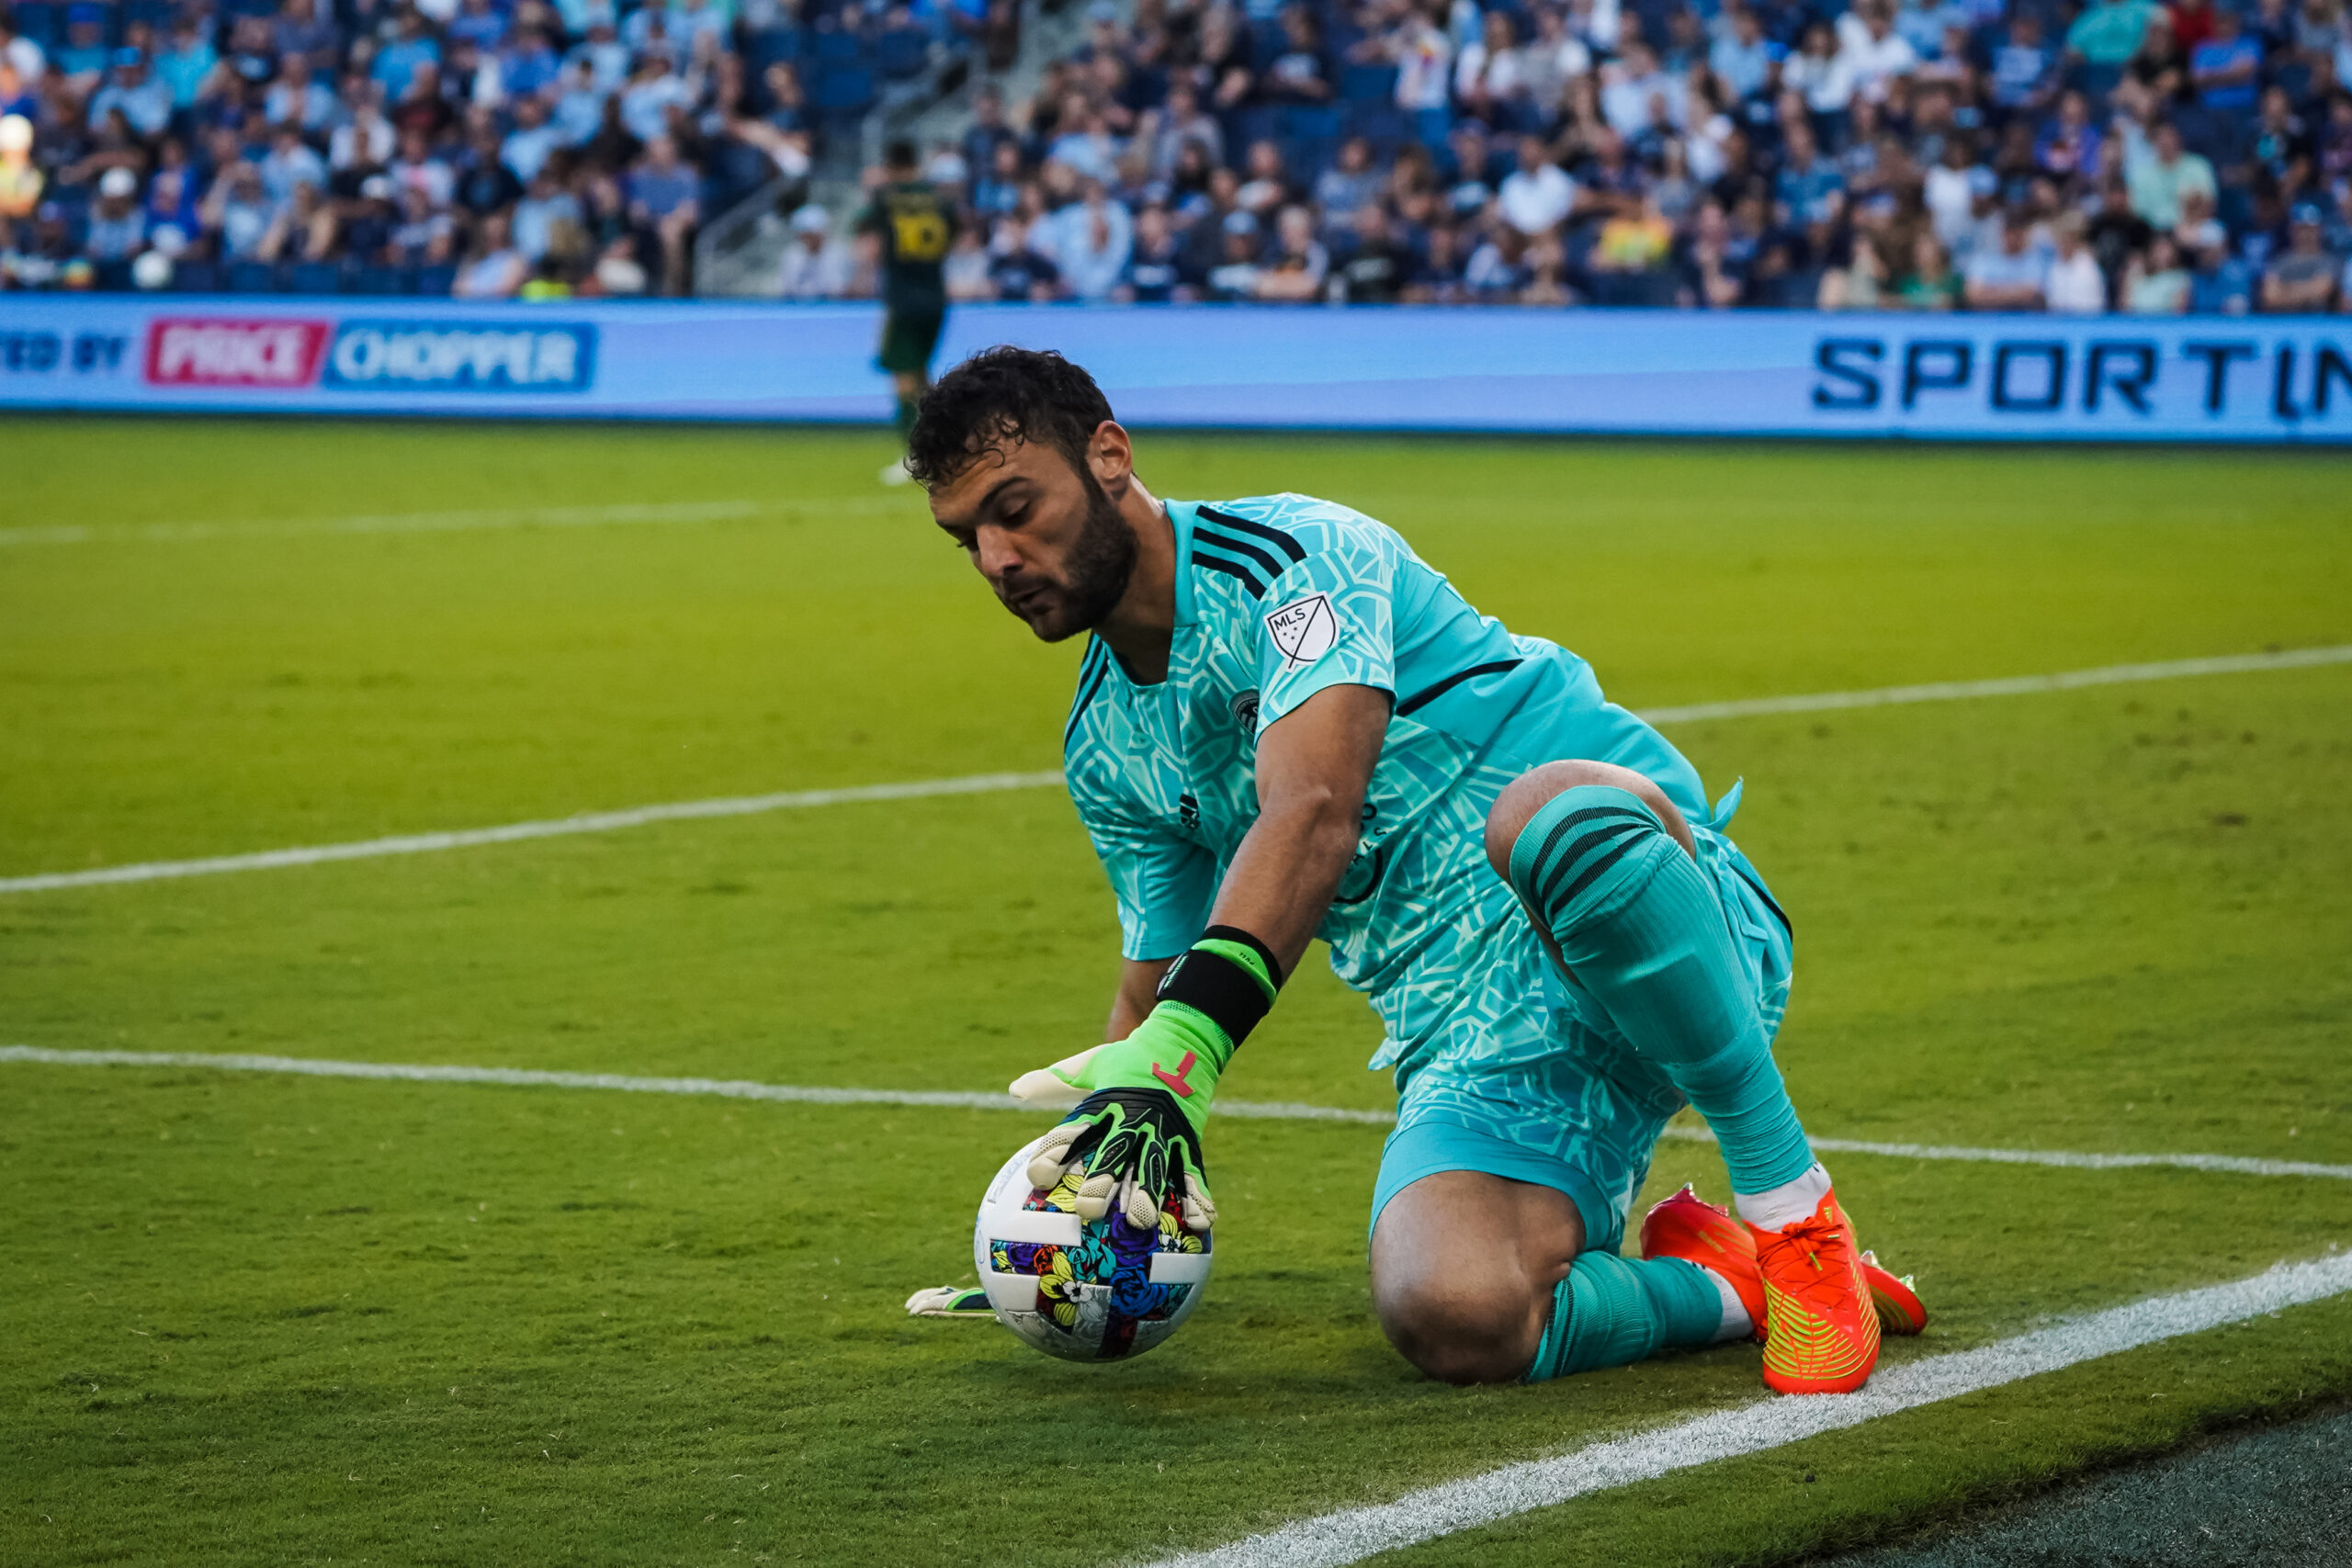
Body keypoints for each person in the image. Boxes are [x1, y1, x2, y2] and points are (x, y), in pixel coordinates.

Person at [898, 348, 1928, 1393]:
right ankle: (1731, 1285)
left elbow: (1314, 809)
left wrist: (1194, 1046)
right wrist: (1061, 1233)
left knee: (1546, 818)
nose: (995, 558)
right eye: (964, 538)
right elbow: (1156, 982)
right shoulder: (1103, 744)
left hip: (1657, 910)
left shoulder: (1295, 557)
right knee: (1451, 1313)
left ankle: (1795, 1220)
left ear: (1109, 457)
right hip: (1477, 1041)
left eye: (1014, 508)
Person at [857, 140, 958, 486]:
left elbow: (862, 227)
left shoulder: (887, 198)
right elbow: (953, 235)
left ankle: (918, 456)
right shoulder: (939, 199)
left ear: (890, 165)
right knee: (922, 377)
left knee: (902, 378)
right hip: (935, 298)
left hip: (902, 298)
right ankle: (948, 446)